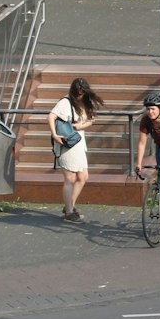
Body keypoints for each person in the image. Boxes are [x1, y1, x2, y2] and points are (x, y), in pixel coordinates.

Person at [48, 78, 103, 223]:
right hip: (67, 144)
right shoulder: (65, 102)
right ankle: (69, 211)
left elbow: (91, 120)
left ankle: (69, 205)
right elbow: (51, 116)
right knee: (70, 178)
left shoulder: (85, 102)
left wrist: (81, 126)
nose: (80, 96)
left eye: (82, 93)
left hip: (78, 143)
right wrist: (54, 134)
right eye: (78, 94)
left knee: (83, 176)